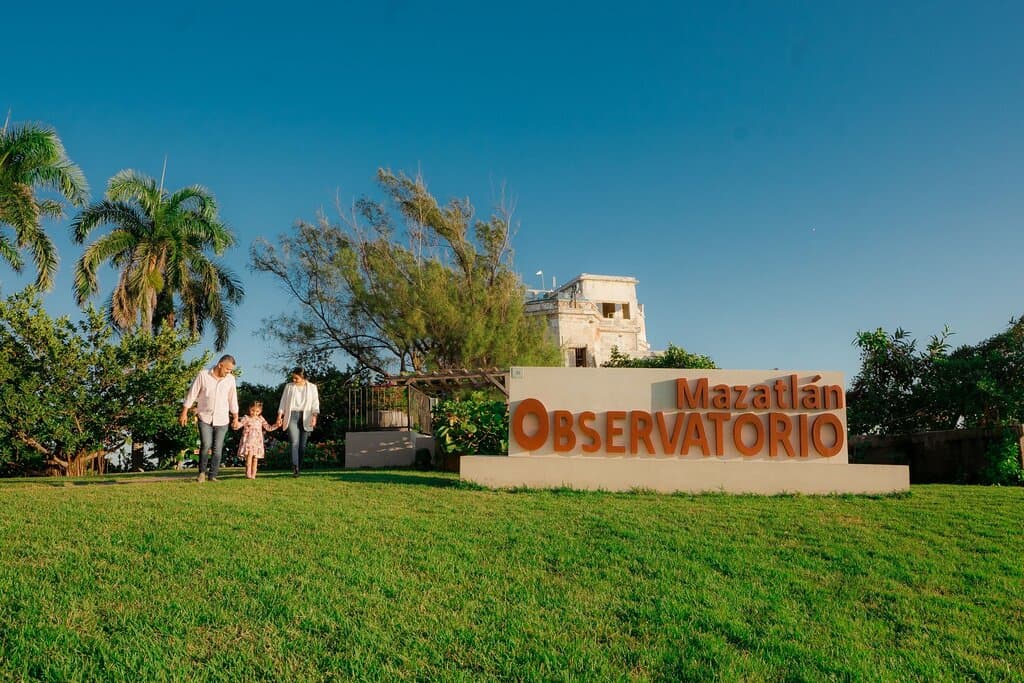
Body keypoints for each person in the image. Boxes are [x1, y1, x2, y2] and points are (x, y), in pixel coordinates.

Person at [180, 355, 239, 482]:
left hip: (222, 419)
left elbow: (233, 399)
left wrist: (235, 417)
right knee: (206, 444)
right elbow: (192, 394)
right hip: (204, 417)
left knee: (218, 448)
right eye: (227, 369)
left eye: (231, 370)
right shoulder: (203, 375)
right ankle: (202, 473)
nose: (229, 372)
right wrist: (184, 412)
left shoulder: (230, 379)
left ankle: (213, 475)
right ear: (220, 365)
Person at [276, 367, 320, 477]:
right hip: (292, 416)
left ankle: (299, 467)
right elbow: (283, 402)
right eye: (293, 378)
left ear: (303, 377)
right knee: (294, 442)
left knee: (302, 446)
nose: (294, 380)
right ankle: (295, 467)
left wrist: (314, 416)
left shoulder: (312, 387)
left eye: (296, 378)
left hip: (306, 416)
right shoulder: (289, 387)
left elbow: (315, 403)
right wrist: (279, 416)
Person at [233, 401, 277, 479]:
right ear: (249, 409)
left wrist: (276, 425)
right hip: (248, 441)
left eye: (257, 411)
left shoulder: (261, 419)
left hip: (257, 442)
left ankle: (253, 475)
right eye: (253, 410)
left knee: (255, 458)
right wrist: (235, 424)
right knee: (249, 457)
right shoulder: (246, 418)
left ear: (260, 411)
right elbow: (239, 425)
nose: (254, 413)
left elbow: (268, 427)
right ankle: (248, 474)